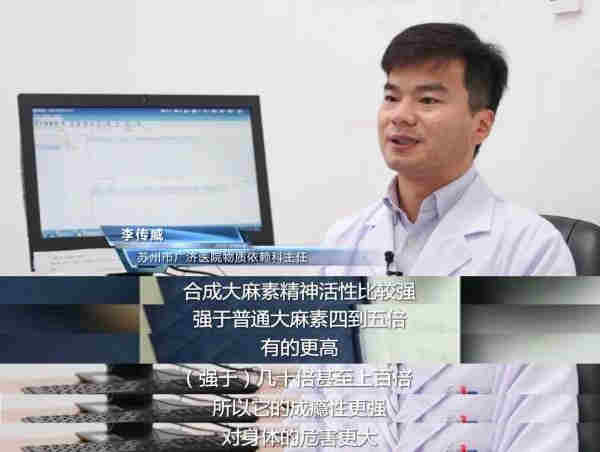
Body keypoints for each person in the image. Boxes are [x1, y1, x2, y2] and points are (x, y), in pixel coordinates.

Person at [322, 23, 575, 276]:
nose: (399, 116)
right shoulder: (342, 240)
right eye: (391, 98)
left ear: (481, 125)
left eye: (427, 100)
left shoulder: (534, 250)